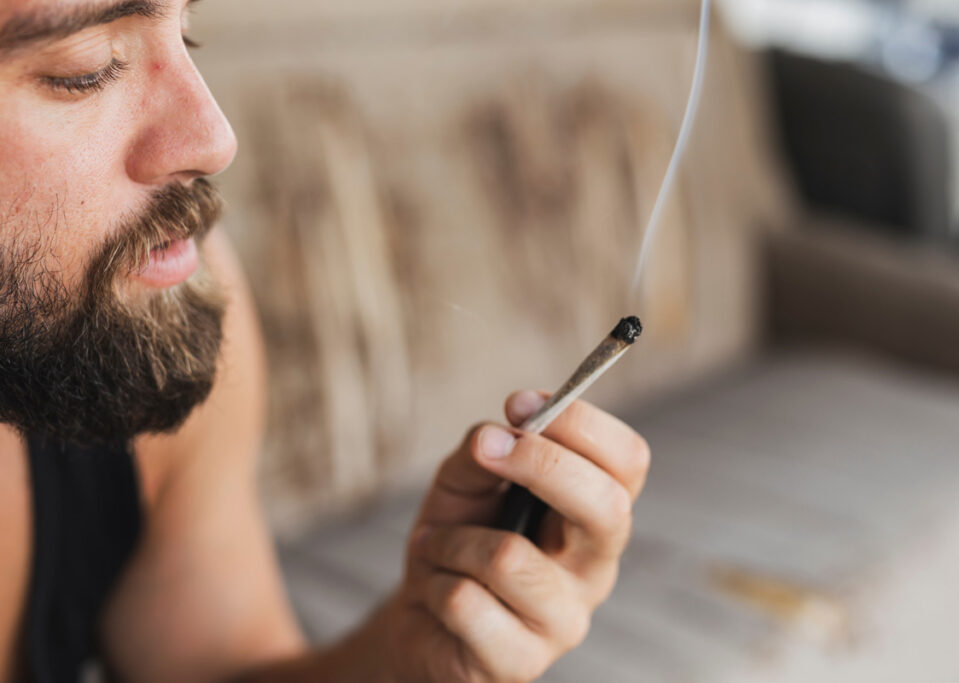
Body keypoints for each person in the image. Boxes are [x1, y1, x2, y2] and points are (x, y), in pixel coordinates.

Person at [0, 0, 651, 680]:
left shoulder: (142, 301)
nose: (214, 139)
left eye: (187, 29)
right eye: (87, 68)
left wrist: (410, 655)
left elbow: (212, 667)